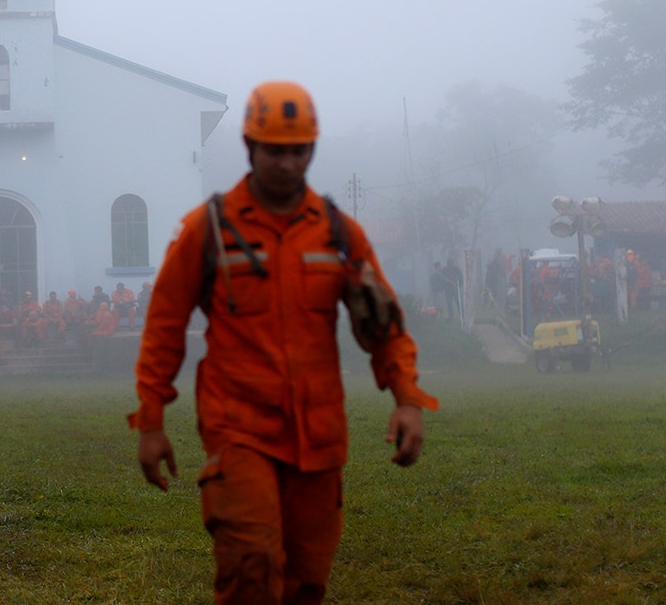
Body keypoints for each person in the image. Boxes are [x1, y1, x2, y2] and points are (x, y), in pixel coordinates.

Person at [131, 80, 437, 605]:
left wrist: (407, 398)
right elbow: (164, 327)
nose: (287, 163)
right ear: (250, 146)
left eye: (299, 151)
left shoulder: (338, 233)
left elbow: (383, 325)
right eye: (275, 150)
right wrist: (151, 421)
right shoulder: (209, 230)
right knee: (251, 567)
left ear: (312, 150)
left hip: (317, 437)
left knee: (305, 582)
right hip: (239, 430)